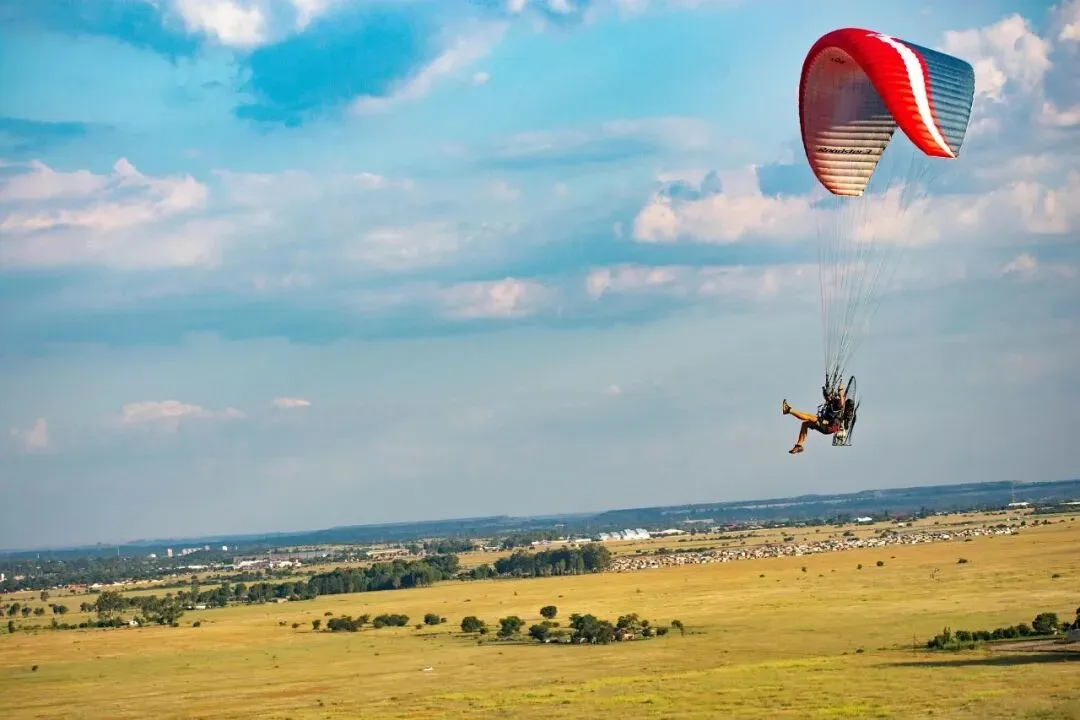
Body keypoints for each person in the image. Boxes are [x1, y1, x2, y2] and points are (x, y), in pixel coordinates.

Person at [781, 384, 846, 454]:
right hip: (825, 423)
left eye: (829, 396)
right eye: (826, 397)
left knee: (810, 417)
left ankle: (788, 410)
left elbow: (842, 405)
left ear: (832, 394)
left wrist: (841, 392)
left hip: (829, 426)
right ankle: (799, 446)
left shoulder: (836, 402)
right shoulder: (830, 402)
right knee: (805, 424)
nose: (828, 398)